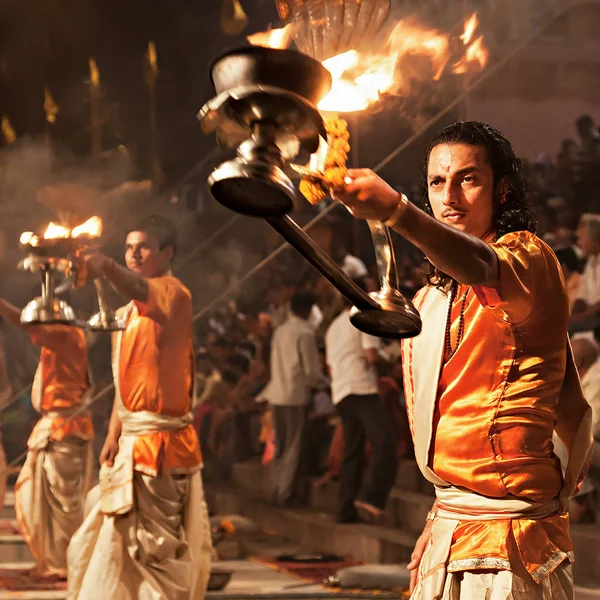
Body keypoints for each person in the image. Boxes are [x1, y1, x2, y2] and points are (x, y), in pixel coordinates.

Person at [333, 121, 592, 598]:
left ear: (502, 189)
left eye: (468, 179)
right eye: (436, 182)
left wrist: (395, 210)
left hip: (512, 539)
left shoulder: (527, 258)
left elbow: (479, 265)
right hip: (450, 527)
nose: (449, 196)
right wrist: (441, 517)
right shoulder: (430, 297)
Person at [67, 215, 212, 600]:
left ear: (167, 253)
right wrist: (113, 436)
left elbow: (135, 285)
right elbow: (124, 381)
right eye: (128, 246)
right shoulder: (128, 314)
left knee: (154, 553)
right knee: (111, 549)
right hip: (131, 441)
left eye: (143, 246)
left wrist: (108, 267)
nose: (133, 252)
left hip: (161, 448)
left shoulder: (173, 293)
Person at [0, 298, 93, 578]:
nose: (33, 334)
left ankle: (63, 564)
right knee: (35, 495)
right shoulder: (58, 341)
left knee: (63, 503)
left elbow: (24, 322)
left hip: (65, 428)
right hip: (53, 426)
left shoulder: (65, 335)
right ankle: (52, 561)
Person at [325, 278, 396, 524]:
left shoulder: (333, 326)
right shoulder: (364, 317)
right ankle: (372, 497)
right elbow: (372, 356)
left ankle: (346, 510)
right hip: (362, 389)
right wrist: (392, 362)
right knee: (385, 442)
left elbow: (332, 367)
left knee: (352, 452)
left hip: (341, 392)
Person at [262, 291, 323, 506]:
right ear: (306, 311)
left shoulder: (280, 331)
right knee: (293, 447)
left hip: (277, 394)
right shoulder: (304, 333)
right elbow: (311, 371)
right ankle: (285, 494)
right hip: (295, 396)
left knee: (280, 445)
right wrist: (324, 384)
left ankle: (273, 489)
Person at [570, 213, 600, 333]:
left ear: (594, 237)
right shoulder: (591, 261)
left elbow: (597, 308)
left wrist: (574, 320)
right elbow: (582, 298)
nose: (579, 243)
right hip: (589, 319)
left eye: (581, 238)